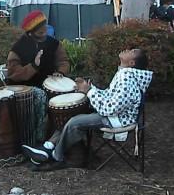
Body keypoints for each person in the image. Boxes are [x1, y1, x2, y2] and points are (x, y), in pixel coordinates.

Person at [21, 48, 153, 170]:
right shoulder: (125, 74)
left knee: (74, 122)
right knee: (72, 115)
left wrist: (89, 92)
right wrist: (90, 88)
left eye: (131, 51)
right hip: (115, 114)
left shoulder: (127, 79)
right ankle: (47, 147)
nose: (127, 49)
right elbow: (110, 96)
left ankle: (55, 155)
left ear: (131, 63)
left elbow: (111, 108)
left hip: (117, 119)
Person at [6, 10, 70, 143]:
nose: (44, 34)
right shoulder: (18, 48)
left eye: (44, 30)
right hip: (25, 87)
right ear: (30, 33)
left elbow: (63, 61)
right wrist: (34, 66)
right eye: (40, 32)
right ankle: (37, 139)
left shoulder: (54, 44)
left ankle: (58, 135)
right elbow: (13, 73)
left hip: (47, 84)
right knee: (40, 96)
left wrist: (60, 72)